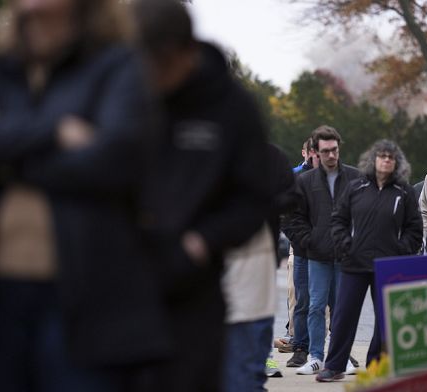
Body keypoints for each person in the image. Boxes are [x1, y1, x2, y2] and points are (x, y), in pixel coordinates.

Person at [0, 0, 170, 390]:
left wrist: (2, 152)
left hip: (86, 297)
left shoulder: (115, 62)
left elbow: (114, 157)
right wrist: (54, 133)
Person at [133, 1, 270, 390]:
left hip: (193, 292)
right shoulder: (125, 91)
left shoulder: (232, 107)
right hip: (121, 286)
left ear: (188, 51)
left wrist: (203, 241)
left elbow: (253, 200)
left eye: (162, 66)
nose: (153, 78)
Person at [317, 140, 423, 382]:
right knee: (343, 316)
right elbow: (338, 220)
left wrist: (401, 251)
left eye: (391, 157)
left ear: (397, 163)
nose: (386, 160)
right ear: (373, 159)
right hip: (354, 263)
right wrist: (346, 246)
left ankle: (376, 365)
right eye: (382, 156)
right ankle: (334, 366)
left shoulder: (404, 192)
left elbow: (414, 229)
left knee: (386, 319)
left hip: (388, 266)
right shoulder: (356, 187)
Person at [284, 125, 360, 375]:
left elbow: (365, 214)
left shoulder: (354, 178)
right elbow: (293, 218)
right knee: (315, 306)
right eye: (325, 151)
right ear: (314, 152)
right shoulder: (304, 181)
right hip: (315, 256)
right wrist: (310, 241)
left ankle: (341, 357)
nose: (330, 155)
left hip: (344, 255)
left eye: (334, 150)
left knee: (342, 307)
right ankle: (315, 356)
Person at [221, 144, 296, 390]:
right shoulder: (216, 151)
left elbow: (291, 196)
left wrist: (264, 205)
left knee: (258, 320)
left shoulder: (273, 157)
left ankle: (260, 366)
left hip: (260, 252)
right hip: (220, 253)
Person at [281, 137, 319, 363]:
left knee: (323, 301)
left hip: (324, 245)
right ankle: (297, 339)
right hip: (299, 245)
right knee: (296, 294)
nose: (314, 155)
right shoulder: (294, 176)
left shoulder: (329, 175)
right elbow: (285, 213)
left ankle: (321, 344)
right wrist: (298, 238)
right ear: (304, 153)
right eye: (310, 151)